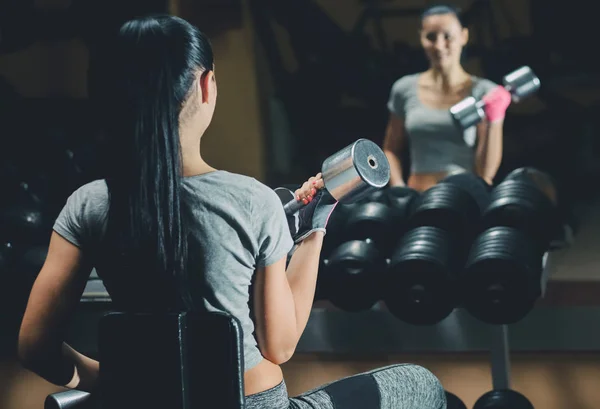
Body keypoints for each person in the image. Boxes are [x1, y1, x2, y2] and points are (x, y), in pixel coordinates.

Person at [17, 15, 446, 409]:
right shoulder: (253, 201)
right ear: (206, 86)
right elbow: (279, 345)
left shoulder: (88, 204)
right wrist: (316, 224)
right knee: (421, 384)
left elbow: (35, 345)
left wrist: (120, 381)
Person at [383, 4, 512, 192]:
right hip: (416, 200)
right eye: (430, 37)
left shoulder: (485, 92)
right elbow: (390, 149)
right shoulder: (404, 89)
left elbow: (485, 173)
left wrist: (495, 119)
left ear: (464, 36)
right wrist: (398, 187)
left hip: (464, 199)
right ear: (420, 37)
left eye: (447, 36)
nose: (439, 45)